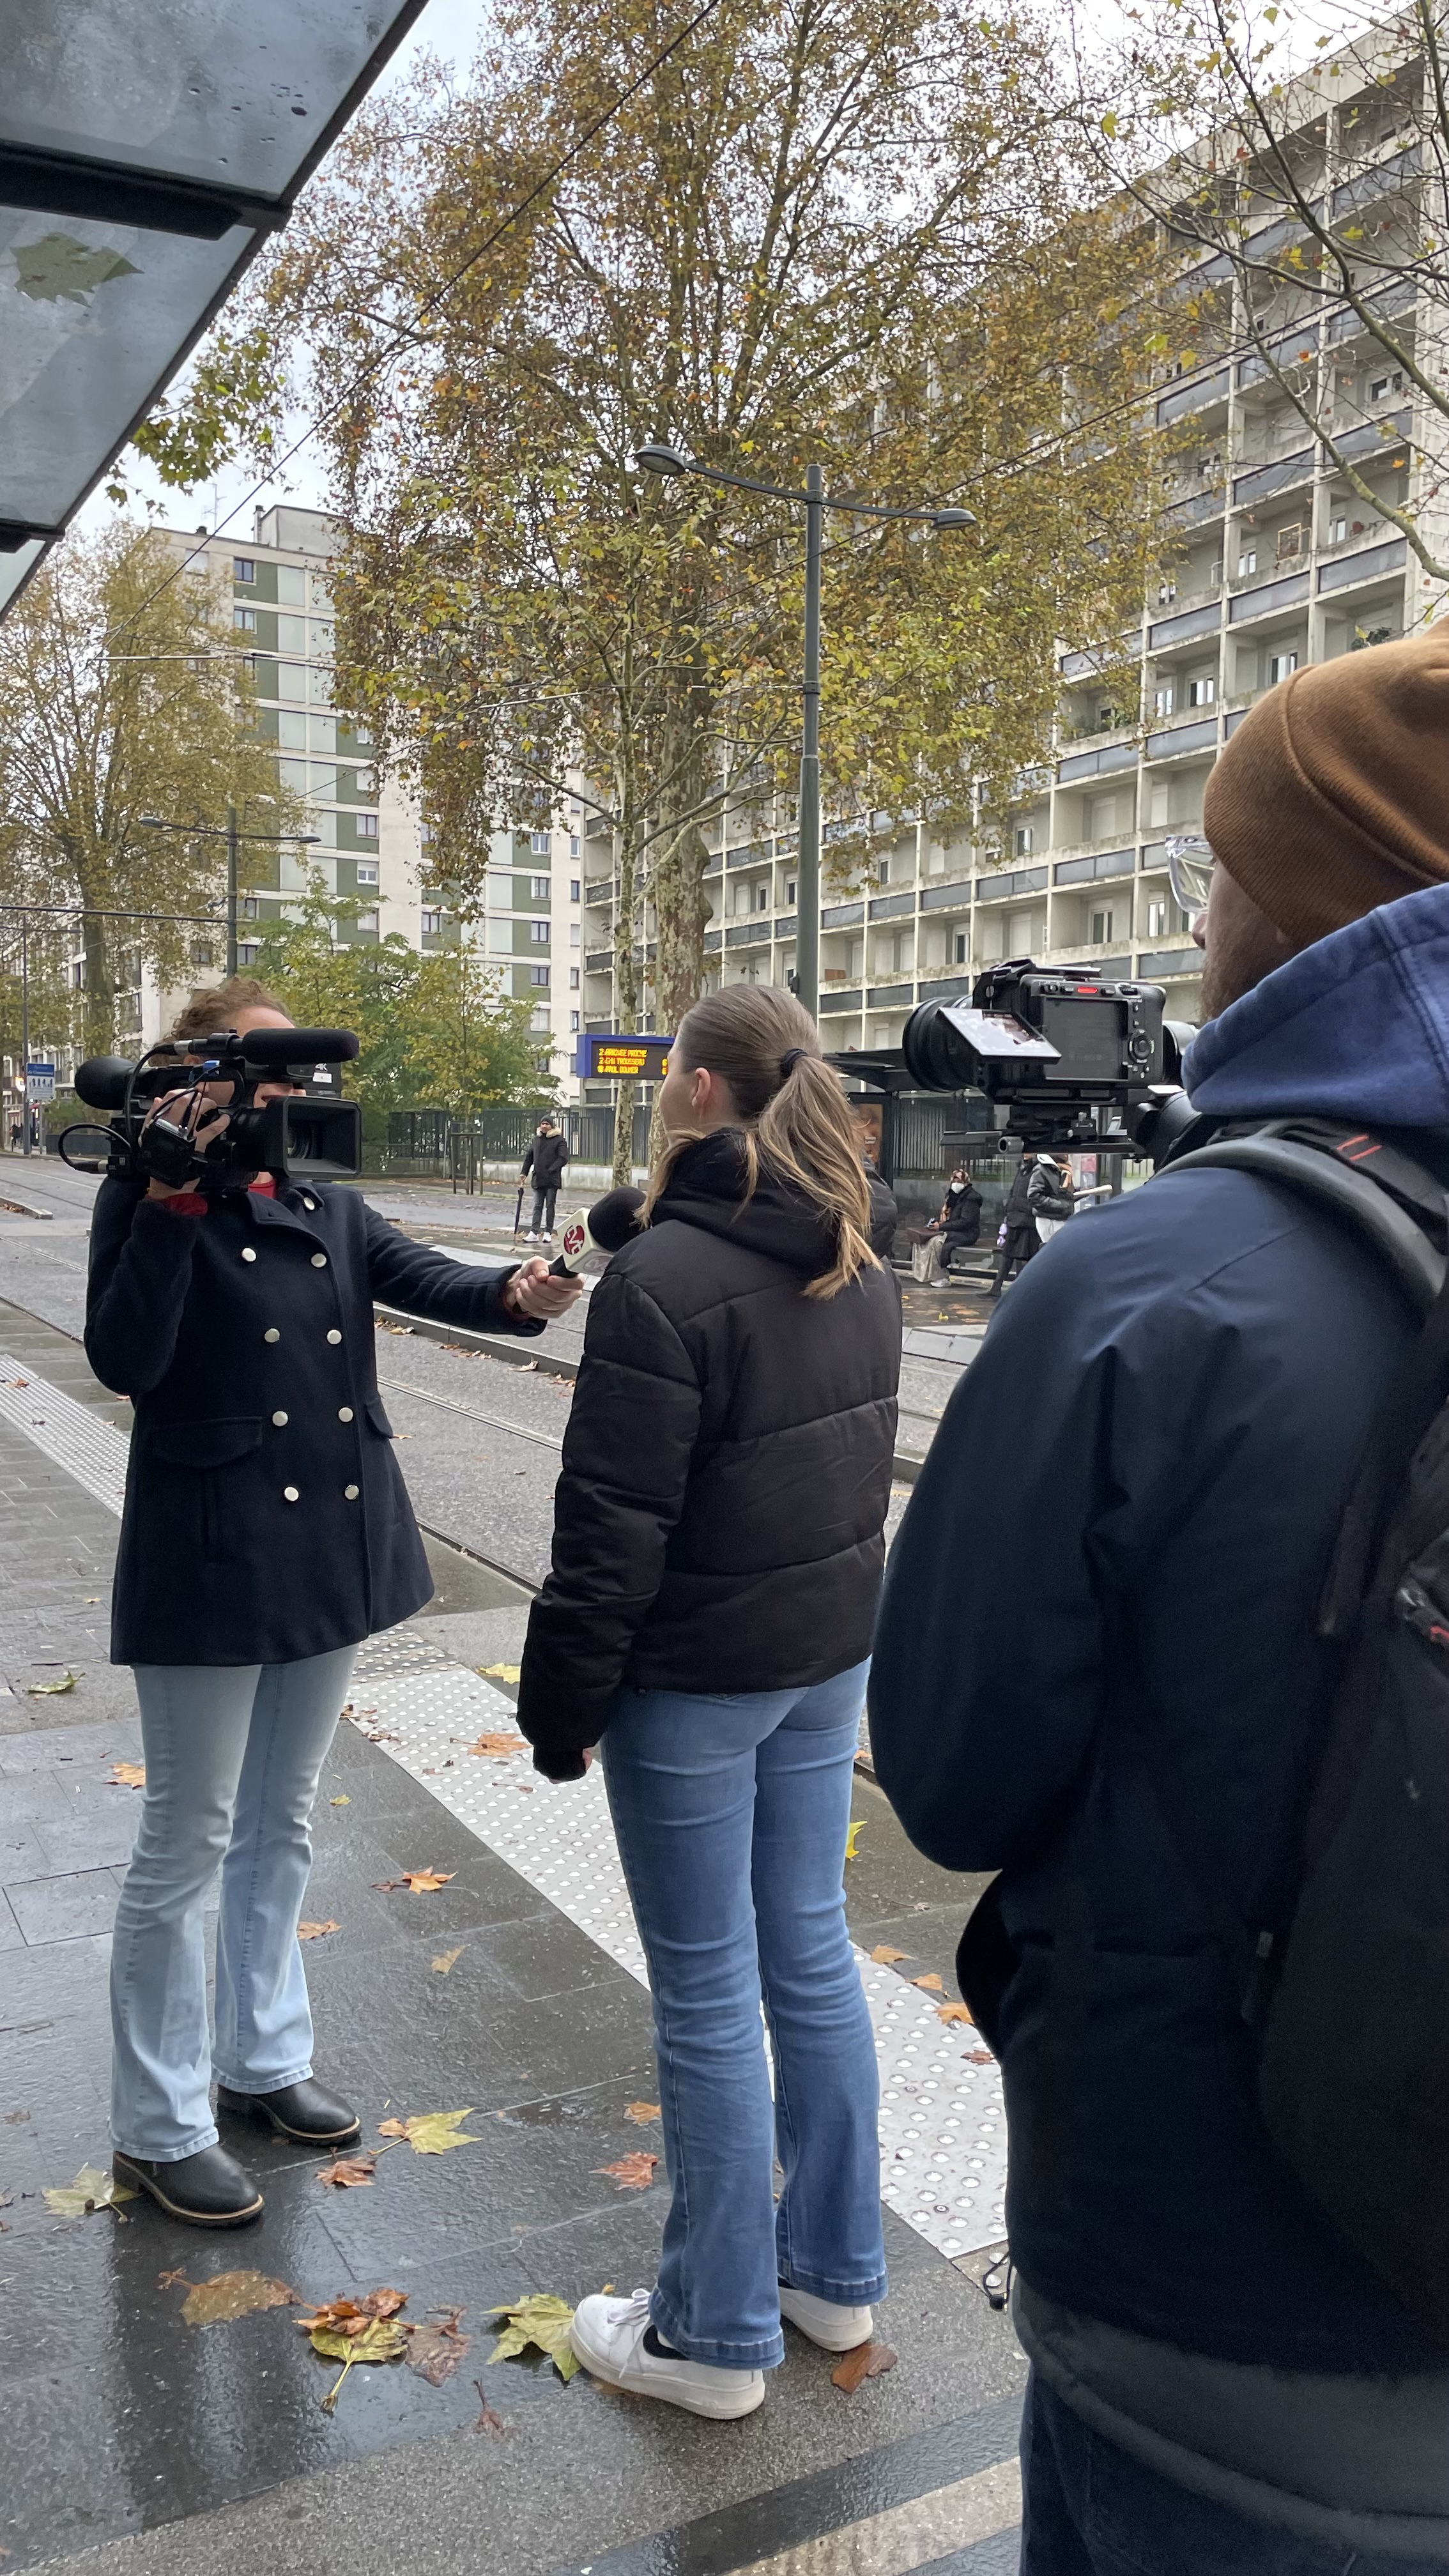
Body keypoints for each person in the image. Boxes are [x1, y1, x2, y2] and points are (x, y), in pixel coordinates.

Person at [868, 627, 1449, 2573]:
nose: (1199, 924)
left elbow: (952, 1772)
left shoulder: (1156, 1282)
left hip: (1223, 2307)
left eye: (1223, 872)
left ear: (1303, 912)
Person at [86, 976, 579, 2228]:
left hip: (322, 1548)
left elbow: (432, 1281)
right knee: (187, 1840)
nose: (289, 1091)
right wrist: (167, 1197)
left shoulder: (325, 1198)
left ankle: (262, 2059)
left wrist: (517, 1291)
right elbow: (125, 1358)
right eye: (266, 1068)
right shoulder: (149, 1189)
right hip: (211, 1557)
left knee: (282, 1819)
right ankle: (157, 2126)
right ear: (198, 1076)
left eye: (295, 1071)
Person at [516, 985, 901, 2421]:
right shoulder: (858, 1250)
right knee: (809, 1953)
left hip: (695, 1679)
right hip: (826, 1656)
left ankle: (712, 2336)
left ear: (692, 1091)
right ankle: (832, 2274)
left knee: (703, 1992)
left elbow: (611, 1528)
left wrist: (561, 1708)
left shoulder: (666, 1280)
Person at [986, 1148, 1039, 1296]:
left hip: (1026, 1220)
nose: (1027, 1153)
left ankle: (1020, 1288)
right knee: (1008, 1253)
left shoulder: (1037, 1170)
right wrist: (1009, 1207)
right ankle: (997, 1286)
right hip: (1014, 1217)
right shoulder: (1021, 1169)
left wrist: (1027, 1208)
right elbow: (1014, 1191)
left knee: (1023, 1255)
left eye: (1030, 1151)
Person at [521, 1115, 569, 1240]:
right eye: (542, 1124)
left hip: (552, 1180)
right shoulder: (537, 1140)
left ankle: (548, 1232)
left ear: (551, 1126)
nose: (544, 1126)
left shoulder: (559, 1140)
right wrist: (524, 1172)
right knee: (537, 1206)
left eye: (547, 1124)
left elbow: (563, 1158)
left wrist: (552, 1169)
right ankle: (534, 1232)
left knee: (550, 1206)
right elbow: (529, 1157)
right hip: (538, 1178)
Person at [1026, 1151, 1074, 1243]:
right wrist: (1062, 1205)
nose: (1066, 1154)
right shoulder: (1042, 1170)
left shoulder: (1063, 1170)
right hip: (1049, 1221)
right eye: (1062, 1150)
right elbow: (1034, 1196)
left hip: (1062, 1219)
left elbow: (1062, 1194)